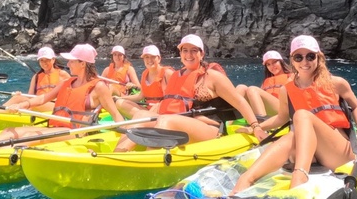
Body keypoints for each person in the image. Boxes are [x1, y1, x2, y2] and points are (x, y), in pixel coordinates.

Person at [230, 35, 357, 193]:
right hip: (309, 152)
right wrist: (256, 127)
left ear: (319, 57)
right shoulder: (287, 90)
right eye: (298, 57)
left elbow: (356, 106)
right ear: (292, 60)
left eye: (310, 56)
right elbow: (281, 118)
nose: (304, 62)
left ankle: (299, 177)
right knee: (292, 135)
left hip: (338, 151)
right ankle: (245, 180)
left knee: (301, 115)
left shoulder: (336, 83)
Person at [113, 35, 267, 152]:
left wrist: (256, 126)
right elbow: (171, 102)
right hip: (179, 123)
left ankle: (147, 161)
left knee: (167, 121)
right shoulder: (176, 76)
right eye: (185, 50)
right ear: (180, 53)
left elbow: (239, 102)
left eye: (194, 50)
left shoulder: (212, 77)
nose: (189, 54)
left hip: (209, 129)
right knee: (140, 116)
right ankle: (119, 154)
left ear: (201, 54)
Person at [0, 44, 125, 144]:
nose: (68, 64)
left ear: (83, 63)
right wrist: (23, 104)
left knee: (28, 137)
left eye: (71, 61)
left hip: (75, 132)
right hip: (57, 128)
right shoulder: (67, 82)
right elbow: (42, 98)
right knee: (9, 131)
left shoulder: (99, 87)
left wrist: (123, 138)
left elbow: (115, 114)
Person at [114, 44, 174, 119]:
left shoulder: (167, 73)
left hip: (162, 112)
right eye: (146, 57)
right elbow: (140, 96)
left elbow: (174, 100)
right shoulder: (144, 74)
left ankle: (145, 118)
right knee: (119, 103)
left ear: (159, 58)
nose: (149, 60)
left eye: (153, 57)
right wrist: (121, 98)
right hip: (148, 111)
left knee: (146, 113)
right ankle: (145, 117)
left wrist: (158, 107)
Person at [3, 46, 71, 112]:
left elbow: (72, 95)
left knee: (19, 99)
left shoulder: (62, 74)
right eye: (42, 60)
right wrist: (21, 95)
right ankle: (0, 112)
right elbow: (30, 96)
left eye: (47, 60)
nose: (44, 63)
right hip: (38, 105)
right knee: (18, 97)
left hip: (55, 106)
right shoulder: (36, 77)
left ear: (53, 60)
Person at [234, 50, 293, 117]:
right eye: (268, 64)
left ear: (281, 62)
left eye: (274, 62)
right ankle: (229, 119)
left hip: (283, 108)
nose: (272, 66)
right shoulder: (266, 81)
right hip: (268, 108)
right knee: (241, 87)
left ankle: (262, 122)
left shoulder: (291, 76)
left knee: (253, 89)